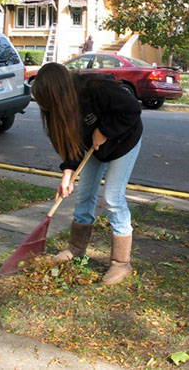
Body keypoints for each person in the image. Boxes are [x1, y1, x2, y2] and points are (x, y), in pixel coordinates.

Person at [32, 62, 142, 285]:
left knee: (113, 197)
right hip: (94, 148)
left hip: (124, 141)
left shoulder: (96, 88)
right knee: (84, 195)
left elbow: (132, 108)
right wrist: (67, 173)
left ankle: (121, 263)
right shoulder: (58, 107)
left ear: (60, 90)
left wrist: (104, 130)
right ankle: (76, 248)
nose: (49, 109)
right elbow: (72, 142)